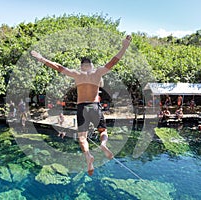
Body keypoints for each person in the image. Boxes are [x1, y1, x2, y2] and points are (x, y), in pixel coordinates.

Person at [31, 35, 132, 176]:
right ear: (91, 66)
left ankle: (88, 156)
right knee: (103, 131)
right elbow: (113, 62)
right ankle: (103, 144)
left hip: (82, 108)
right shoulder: (98, 73)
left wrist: (42, 59)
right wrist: (124, 47)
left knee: (82, 137)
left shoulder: (77, 75)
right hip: (95, 106)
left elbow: (58, 67)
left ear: (81, 67)